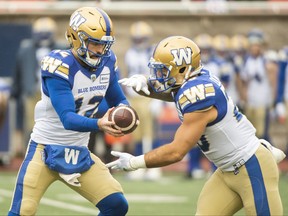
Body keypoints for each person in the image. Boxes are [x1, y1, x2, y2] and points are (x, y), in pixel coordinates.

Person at [106, 36, 286, 215]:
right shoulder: (195, 79)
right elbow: (174, 93)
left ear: (183, 68)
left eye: (163, 71)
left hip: (251, 166)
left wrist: (133, 162)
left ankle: (264, 153)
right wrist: (145, 85)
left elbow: (176, 152)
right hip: (226, 170)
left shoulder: (198, 94)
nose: (157, 77)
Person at [8, 7, 129, 216]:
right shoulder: (59, 65)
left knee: (117, 205)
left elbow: (118, 99)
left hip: (79, 151)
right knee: (23, 210)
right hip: (44, 150)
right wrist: (99, 124)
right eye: (94, 43)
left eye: (104, 45)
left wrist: (125, 113)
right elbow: (67, 118)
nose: (100, 50)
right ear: (75, 38)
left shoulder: (107, 63)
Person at [11, 17, 66, 156]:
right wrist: (15, 91)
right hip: (33, 91)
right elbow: (18, 72)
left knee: (55, 123)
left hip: (53, 92)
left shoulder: (61, 49)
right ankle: (31, 155)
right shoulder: (26, 49)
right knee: (32, 125)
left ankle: (55, 155)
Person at [123, 21, 162, 180]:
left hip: (149, 96)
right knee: (137, 133)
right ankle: (139, 165)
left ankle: (153, 166)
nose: (139, 42)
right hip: (134, 97)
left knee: (150, 132)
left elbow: (159, 76)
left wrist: (158, 98)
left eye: (141, 39)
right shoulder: (129, 53)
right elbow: (126, 72)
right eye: (136, 39)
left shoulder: (154, 53)